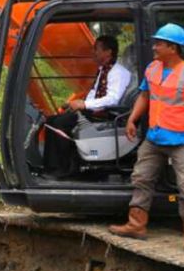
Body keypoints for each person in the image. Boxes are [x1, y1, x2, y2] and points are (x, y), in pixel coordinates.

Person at [109, 23, 184, 255]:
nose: (154, 47)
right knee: (141, 178)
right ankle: (136, 224)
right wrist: (132, 119)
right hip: (154, 139)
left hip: (183, 142)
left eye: (159, 43)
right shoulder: (153, 68)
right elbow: (145, 95)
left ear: (173, 48)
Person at [41, 35, 132, 177]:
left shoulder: (119, 72)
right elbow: (94, 93)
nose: (93, 52)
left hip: (106, 113)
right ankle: (51, 166)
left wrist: (85, 104)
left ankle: (63, 169)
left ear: (108, 52)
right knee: (51, 121)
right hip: (93, 109)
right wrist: (75, 104)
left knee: (59, 123)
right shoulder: (104, 70)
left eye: (96, 49)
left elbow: (112, 99)